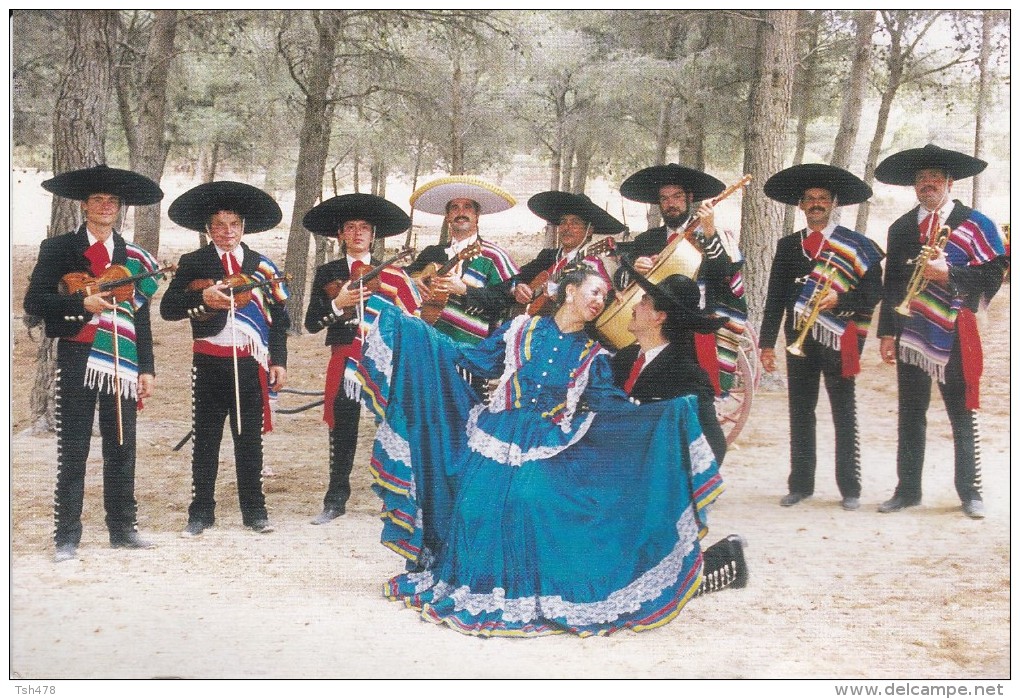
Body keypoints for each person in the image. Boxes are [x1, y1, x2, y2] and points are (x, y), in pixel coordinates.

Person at [345, 266, 747, 637]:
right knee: (474, 503)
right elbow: (471, 359)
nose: (600, 301)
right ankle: (474, 582)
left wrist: (665, 417)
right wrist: (414, 332)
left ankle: (536, 587)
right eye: (593, 291)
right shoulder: (521, 329)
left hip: (546, 445)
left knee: (530, 498)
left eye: (604, 297)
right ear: (569, 291)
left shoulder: (595, 356)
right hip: (496, 433)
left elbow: (612, 408)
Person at [24, 164, 166, 562]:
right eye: (98, 199)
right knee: (74, 448)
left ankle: (122, 529)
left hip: (123, 358)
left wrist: (147, 368)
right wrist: (78, 303)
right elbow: (33, 304)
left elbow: (140, 317)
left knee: (122, 445)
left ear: (120, 209)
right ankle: (66, 535)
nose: (106, 206)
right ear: (85, 206)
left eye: (112, 201)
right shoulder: (58, 248)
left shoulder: (132, 256)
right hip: (78, 356)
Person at [873, 144, 1007, 519]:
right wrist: (886, 332)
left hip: (955, 329)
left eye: (934, 177)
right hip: (910, 330)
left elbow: (995, 274)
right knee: (910, 412)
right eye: (920, 179)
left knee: (961, 412)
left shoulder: (975, 223)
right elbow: (892, 283)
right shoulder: (900, 228)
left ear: (950, 182)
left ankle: (971, 491)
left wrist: (950, 275)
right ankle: (907, 490)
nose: (927, 184)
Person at [160, 181, 290, 535]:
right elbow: (169, 309)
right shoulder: (193, 262)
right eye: (218, 225)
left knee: (249, 439)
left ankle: (255, 511)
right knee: (205, 440)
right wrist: (204, 299)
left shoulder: (262, 265)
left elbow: (280, 320)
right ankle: (200, 512)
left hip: (249, 363)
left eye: (233, 224)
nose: (226, 231)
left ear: (243, 227)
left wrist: (278, 360)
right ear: (207, 229)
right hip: (208, 362)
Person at [758, 164, 884, 511]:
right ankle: (801, 484)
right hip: (798, 337)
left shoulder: (856, 246)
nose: (816, 204)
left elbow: (874, 292)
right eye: (810, 199)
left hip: (839, 338)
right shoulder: (787, 246)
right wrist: (766, 343)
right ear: (801, 205)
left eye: (823, 199)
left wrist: (840, 299)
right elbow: (775, 299)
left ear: (833, 204)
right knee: (800, 411)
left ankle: (850, 488)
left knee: (844, 411)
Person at [302, 193, 422, 525]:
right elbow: (312, 323)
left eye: (364, 228)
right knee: (342, 429)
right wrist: (337, 304)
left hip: (383, 360)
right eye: (350, 228)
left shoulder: (394, 274)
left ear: (373, 235)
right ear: (340, 234)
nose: (357, 234)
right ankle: (335, 499)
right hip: (345, 357)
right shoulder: (329, 273)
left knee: (391, 428)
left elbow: (413, 318)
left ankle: (395, 496)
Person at [614, 164, 748, 396]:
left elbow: (723, 273)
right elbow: (621, 277)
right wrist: (635, 268)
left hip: (695, 326)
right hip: (656, 327)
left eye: (677, 196)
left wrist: (709, 233)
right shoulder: (647, 239)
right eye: (664, 199)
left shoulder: (710, 233)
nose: (670, 204)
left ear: (690, 198)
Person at [610, 267, 729, 466]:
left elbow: (715, 446)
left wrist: (670, 486)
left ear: (659, 317)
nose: (634, 307)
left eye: (644, 301)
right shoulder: (624, 359)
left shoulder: (687, 375)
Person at [403, 175, 519, 346]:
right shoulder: (432, 253)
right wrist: (414, 280)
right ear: (448, 217)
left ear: (477, 215)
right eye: (455, 208)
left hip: (471, 346)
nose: (461, 212)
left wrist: (465, 289)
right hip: (427, 339)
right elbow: (403, 276)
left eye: (467, 207)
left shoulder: (494, 257)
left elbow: (504, 301)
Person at [503, 191, 623, 311]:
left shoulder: (594, 265)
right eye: (563, 222)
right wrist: (517, 287)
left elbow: (603, 302)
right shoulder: (548, 257)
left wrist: (561, 299)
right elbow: (516, 276)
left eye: (575, 223)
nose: (567, 228)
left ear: (589, 230)